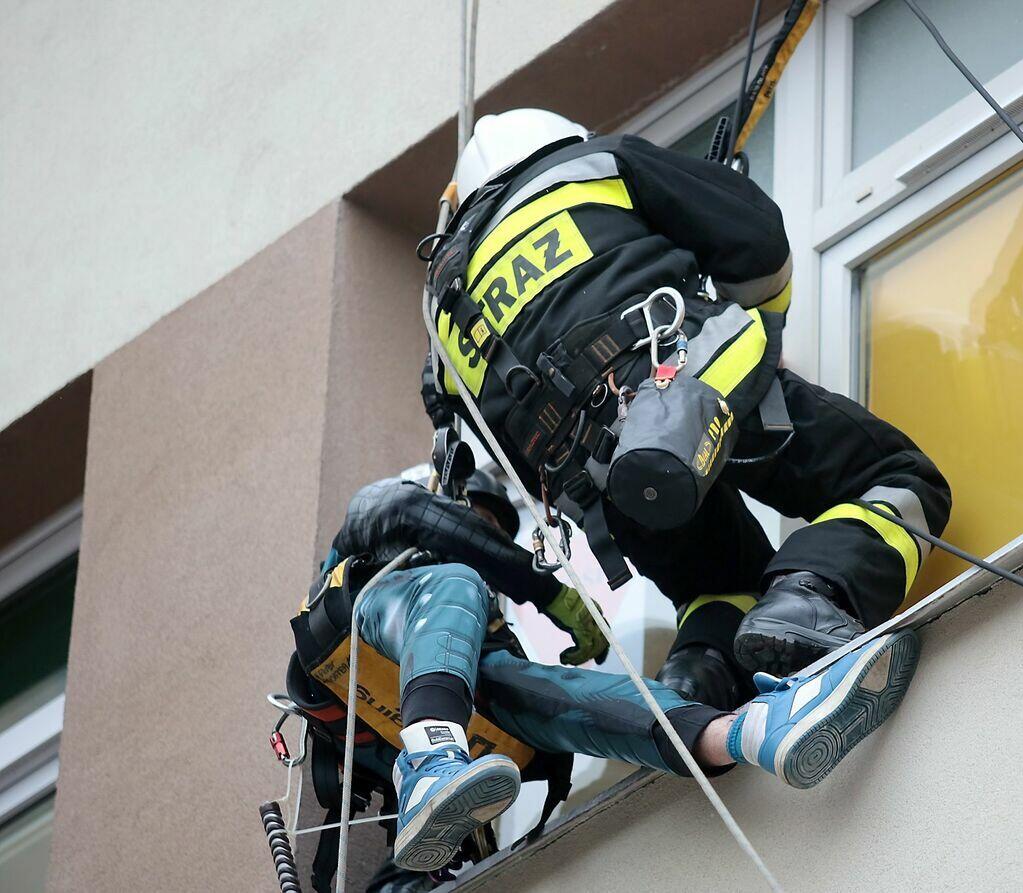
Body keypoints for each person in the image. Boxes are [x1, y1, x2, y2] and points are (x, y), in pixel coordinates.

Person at [421, 109, 952, 709]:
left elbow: (509, 451)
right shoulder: (593, 165)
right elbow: (758, 244)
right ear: (559, 140)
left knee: (713, 582)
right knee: (900, 479)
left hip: (610, 484)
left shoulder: (445, 314)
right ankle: (812, 596)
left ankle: (696, 683)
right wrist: (765, 333)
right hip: (696, 384)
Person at [290, 471, 921, 875]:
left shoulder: (467, 639)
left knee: (539, 693)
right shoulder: (392, 538)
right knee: (454, 582)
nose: (488, 537)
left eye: (498, 529)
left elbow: (555, 712)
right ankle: (430, 761)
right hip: (352, 632)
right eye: (482, 522)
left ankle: (747, 733)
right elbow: (407, 512)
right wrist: (547, 591)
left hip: (429, 727)